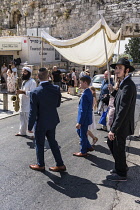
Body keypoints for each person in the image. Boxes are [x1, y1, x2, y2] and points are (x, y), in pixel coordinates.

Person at [28, 68, 66, 172]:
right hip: (52, 120)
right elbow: (58, 104)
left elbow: (33, 112)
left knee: (39, 143)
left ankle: (40, 164)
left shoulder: (35, 92)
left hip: (41, 122)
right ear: (49, 76)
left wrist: (29, 126)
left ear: (37, 77)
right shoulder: (56, 88)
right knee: (52, 142)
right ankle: (60, 164)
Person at [106, 58, 136, 181]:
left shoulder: (128, 85)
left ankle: (122, 173)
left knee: (117, 146)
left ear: (126, 70)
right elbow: (120, 98)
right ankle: (121, 166)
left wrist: (113, 129)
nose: (117, 70)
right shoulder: (124, 83)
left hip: (122, 124)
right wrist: (113, 92)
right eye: (116, 68)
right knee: (112, 144)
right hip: (120, 123)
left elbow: (123, 109)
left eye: (120, 68)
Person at [73, 75, 94, 157]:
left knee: (82, 134)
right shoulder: (88, 91)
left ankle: (83, 151)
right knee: (80, 132)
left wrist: (79, 122)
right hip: (86, 117)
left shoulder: (86, 94)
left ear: (85, 83)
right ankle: (88, 146)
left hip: (84, 118)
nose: (79, 84)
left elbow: (83, 110)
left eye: (81, 83)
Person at [15, 67, 36, 137]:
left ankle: (32, 134)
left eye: (25, 72)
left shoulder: (32, 82)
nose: (22, 73)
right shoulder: (24, 81)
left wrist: (23, 92)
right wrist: (18, 92)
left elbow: (33, 93)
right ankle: (22, 132)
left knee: (28, 119)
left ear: (29, 73)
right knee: (22, 118)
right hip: (22, 103)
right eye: (22, 72)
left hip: (28, 104)